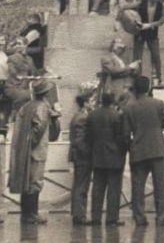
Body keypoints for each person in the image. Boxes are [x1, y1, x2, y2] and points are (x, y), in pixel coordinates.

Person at [123, 75, 164, 227]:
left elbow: (125, 133)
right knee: (161, 186)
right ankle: (161, 217)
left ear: (135, 89)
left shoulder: (128, 107)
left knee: (137, 187)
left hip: (138, 151)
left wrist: (131, 146)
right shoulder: (158, 103)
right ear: (149, 88)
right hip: (158, 149)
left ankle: (140, 217)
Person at [8, 78, 56, 224]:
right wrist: (32, 142)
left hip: (24, 150)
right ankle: (32, 214)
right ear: (46, 93)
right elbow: (40, 126)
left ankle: (26, 214)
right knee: (35, 182)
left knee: (26, 183)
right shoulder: (42, 106)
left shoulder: (26, 105)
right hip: (36, 151)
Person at [87, 91, 127, 226]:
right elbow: (121, 137)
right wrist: (124, 151)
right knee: (114, 189)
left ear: (101, 100)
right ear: (112, 101)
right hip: (115, 157)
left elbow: (89, 136)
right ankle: (111, 219)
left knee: (97, 189)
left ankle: (95, 218)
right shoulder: (117, 116)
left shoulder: (92, 115)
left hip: (97, 156)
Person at [129, 0, 164, 86]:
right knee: (137, 58)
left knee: (156, 56)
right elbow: (128, 9)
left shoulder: (161, 6)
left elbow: (162, 21)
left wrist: (149, 25)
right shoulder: (141, 3)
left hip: (152, 34)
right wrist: (134, 21)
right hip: (140, 34)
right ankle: (136, 80)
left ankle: (158, 79)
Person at [68, 93, 92, 226]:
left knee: (78, 184)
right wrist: (88, 152)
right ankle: (79, 214)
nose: (92, 103)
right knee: (82, 185)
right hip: (82, 156)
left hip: (77, 155)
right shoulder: (83, 118)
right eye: (91, 101)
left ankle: (77, 213)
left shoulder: (77, 116)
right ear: (86, 103)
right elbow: (79, 140)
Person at [100, 38, 140, 104]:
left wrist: (133, 69)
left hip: (125, 89)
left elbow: (123, 72)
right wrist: (130, 67)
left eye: (122, 48)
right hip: (114, 89)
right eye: (119, 47)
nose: (121, 49)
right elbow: (113, 71)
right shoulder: (106, 58)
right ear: (113, 47)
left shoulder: (122, 59)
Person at [5, 37, 39, 116]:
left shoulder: (30, 59)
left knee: (49, 86)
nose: (17, 46)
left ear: (25, 45)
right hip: (14, 86)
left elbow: (35, 72)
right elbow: (12, 71)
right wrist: (19, 76)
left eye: (19, 44)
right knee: (24, 96)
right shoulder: (12, 58)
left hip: (27, 86)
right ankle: (13, 119)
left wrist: (47, 72)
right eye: (16, 44)